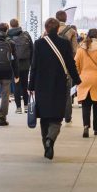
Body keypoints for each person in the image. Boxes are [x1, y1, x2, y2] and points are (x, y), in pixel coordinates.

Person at [29, 18, 82, 160]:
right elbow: (71, 64)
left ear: (45, 28)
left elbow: (34, 66)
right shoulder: (64, 43)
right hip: (59, 84)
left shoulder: (39, 44)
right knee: (57, 117)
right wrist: (77, 80)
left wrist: (30, 85)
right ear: (58, 29)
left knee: (44, 118)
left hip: (41, 85)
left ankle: (45, 144)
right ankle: (51, 139)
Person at [74, 28, 97, 138]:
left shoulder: (81, 48)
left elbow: (75, 64)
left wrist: (81, 73)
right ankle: (96, 129)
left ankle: (86, 126)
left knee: (86, 105)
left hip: (84, 79)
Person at [7, 18, 33, 115]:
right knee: (25, 85)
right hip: (25, 64)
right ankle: (26, 105)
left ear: (10, 25)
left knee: (16, 86)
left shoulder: (8, 36)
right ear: (18, 24)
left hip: (14, 65)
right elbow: (32, 49)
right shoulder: (26, 34)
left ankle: (18, 108)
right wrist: (31, 63)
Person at [56, 10, 78, 121]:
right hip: (66, 67)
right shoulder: (72, 32)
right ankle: (68, 116)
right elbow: (75, 51)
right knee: (67, 92)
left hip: (52, 67)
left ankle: (56, 115)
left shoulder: (48, 31)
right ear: (65, 19)